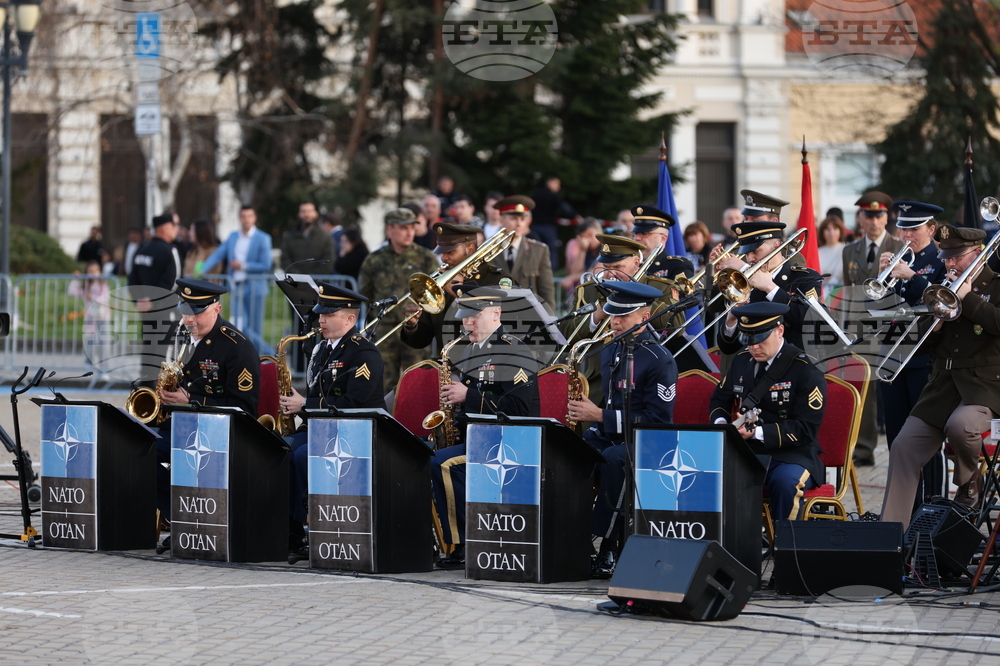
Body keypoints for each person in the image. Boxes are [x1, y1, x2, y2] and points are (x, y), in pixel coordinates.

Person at [881, 224, 1000, 528]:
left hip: (985, 387)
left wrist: (967, 300)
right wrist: (935, 325)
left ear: (977, 254)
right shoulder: (941, 285)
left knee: (961, 427)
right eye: (946, 258)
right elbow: (921, 347)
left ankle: (969, 483)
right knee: (904, 446)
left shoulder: (996, 286)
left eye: (955, 258)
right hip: (943, 387)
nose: (948, 264)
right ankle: (891, 534)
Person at [566, 281, 677, 576]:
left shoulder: (660, 359)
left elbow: (655, 419)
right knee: (569, 453)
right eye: (613, 315)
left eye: (623, 317)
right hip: (610, 435)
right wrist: (593, 424)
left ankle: (610, 546)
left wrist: (600, 415)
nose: (614, 322)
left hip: (650, 441)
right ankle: (571, 538)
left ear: (644, 315)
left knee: (616, 460)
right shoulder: (610, 350)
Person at [429, 287, 541, 567]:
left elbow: (519, 408)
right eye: (465, 317)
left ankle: (464, 543)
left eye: (475, 316)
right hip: (478, 438)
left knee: (443, 464)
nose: (468, 323)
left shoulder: (513, 350)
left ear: (496, 314)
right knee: (418, 452)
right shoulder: (470, 351)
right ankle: (431, 537)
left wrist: (468, 396)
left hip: (507, 443)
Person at [283, 283, 386, 547]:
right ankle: (289, 526)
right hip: (322, 428)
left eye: (328, 315)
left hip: (352, 431)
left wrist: (305, 405)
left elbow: (355, 403)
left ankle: (303, 529)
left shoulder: (363, 352)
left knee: (300, 456)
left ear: (350, 319)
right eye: (321, 314)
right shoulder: (322, 350)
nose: (321, 319)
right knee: (277, 449)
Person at [153, 279, 262, 525]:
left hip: (218, 433)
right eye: (184, 312)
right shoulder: (183, 335)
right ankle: (174, 513)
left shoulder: (237, 347)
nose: (188, 320)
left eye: (196, 312)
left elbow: (244, 408)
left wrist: (191, 400)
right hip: (181, 427)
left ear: (216, 309)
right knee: (135, 444)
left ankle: (184, 518)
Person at [709, 302, 826, 526]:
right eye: (748, 340)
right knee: (709, 477)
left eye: (760, 339)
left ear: (780, 330)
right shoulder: (742, 361)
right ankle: (730, 546)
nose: (754, 347)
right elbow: (719, 398)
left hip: (792, 454)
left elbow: (806, 428)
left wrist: (756, 432)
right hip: (747, 452)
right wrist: (723, 424)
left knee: (785, 483)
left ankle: (784, 550)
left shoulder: (805, 369)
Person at [877, 201, 946, 507]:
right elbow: (878, 311)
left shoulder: (941, 259)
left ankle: (933, 506)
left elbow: (943, 302)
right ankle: (905, 509)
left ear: (931, 229)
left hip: (923, 360)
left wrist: (911, 277)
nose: (906, 235)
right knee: (896, 438)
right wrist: (883, 280)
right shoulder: (898, 260)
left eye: (914, 228)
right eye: (903, 228)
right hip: (893, 357)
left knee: (927, 440)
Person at [712, 191, 823, 355]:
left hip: (793, 369)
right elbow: (728, 348)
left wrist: (771, 288)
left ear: (776, 245)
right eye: (747, 253)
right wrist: (731, 318)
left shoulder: (805, 278)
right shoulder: (744, 284)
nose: (750, 258)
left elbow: (813, 323)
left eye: (756, 251)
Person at [841, 191, 905, 467]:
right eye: (868, 215)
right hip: (861, 330)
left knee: (895, 393)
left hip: (891, 329)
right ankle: (864, 450)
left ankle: (900, 450)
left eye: (878, 215)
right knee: (864, 392)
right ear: (860, 218)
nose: (873, 221)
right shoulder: (849, 250)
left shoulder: (900, 246)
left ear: (887, 217)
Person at [358, 207, 440, 394]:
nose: (410, 232)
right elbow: (366, 293)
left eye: (412, 227)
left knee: (417, 379)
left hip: (416, 330)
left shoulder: (426, 258)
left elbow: (435, 291)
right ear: (390, 229)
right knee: (384, 380)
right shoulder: (374, 260)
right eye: (404, 227)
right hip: (385, 329)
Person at [401, 222, 505, 352]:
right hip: (446, 366)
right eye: (442, 252)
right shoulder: (439, 280)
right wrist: (412, 325)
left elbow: (507, 327)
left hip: (485, 363)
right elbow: (422, 340)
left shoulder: (496, 279)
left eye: (450, 252)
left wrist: (461, 295)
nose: (444, 258)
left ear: (470, 250)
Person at [200, 205, 274, 355]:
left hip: (255, 287)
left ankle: (263, 356)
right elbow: (218, 254)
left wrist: (243, 266)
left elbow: (266, 264)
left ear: (254, 218)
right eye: (243, 216)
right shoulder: (233, 236)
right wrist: (203, 269)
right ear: (239, 218)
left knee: (254, 327)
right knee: (240, 324)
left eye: (249, 216)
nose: (246, 219)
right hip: (236, 287)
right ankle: (268, 353)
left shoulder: (263, 238)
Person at [487, 194, 556, 310]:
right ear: (501, 220)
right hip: (494, 317)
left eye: (522, 219)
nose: (519, 224)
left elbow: (546, 292)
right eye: (513, 219)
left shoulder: (539, 250)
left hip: (528, 318)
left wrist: (550, 322)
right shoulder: (487, 251)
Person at [630, 205, 694, 281]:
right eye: (635, 234)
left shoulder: (678, 265)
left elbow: (676, 292)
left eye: (644, 233)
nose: (637, 238)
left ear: (663, 238)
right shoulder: (628, 264)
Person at [68, 261, 111, 368]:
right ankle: (89, 362)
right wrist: (76, 279)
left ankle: (104, 367)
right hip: (90, 319)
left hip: (103, 318)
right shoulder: (84, 287)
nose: (93, 273)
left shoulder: (103, 285)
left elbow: (105, 298)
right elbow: (71, 292)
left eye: (95, 271)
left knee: (104, 344)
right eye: (90, 271)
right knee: (91, 341)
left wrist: (93, 298)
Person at [530, 176, 575, 270]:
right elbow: (564, 208)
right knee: (551, 251)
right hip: (548, 228)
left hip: (536, 227)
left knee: (534, 249)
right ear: (550, 182)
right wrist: (575, 216)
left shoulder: (536, 194)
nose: (558, 187)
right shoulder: (554, 196)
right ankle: (550, 273)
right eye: (557, 184)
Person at [281, 201, 336, 274]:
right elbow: (285, 259)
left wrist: (311, 277)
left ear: (316, 213)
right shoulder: (289, 236)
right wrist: (299, 277)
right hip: (295, 282)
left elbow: (328, 261)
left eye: (309, 211)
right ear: (298, 214)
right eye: (303, 211)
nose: (306, 215)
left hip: (318, 282)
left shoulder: (325, 237)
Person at [561, 218, 601, 293]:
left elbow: (597, 271)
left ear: (598, 231)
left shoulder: (605, 248)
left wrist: (572, 278)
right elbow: (574, 271)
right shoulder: (586, 250)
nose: (588, 240)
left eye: (590, 235)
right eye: (584, 237)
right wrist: (583, 250)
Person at [817, 215, 847, 295]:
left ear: (840, 231)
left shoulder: (847, 250)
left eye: (835, 229)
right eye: (828, 229)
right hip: (822, 295)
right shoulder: (817, 252)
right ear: (822, 232)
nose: (832, 233)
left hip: (841, 296)